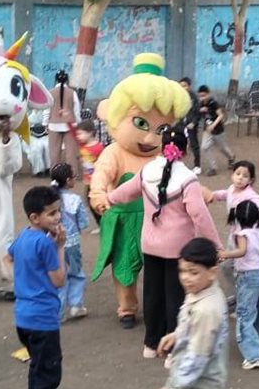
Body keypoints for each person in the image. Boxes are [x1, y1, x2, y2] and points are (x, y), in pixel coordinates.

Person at [88, 53, 190, 329]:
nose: (149, 138)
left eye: (162, 128)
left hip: (159, 218)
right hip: (124, 218)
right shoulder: (115, 152)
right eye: (141, 123)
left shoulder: (166, 156)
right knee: (125, 266)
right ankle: (127, 308)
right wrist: (98, 195)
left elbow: (182, 179)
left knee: (161, 265)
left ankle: (161, 307)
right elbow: (101, 175)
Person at [101, 127, 222, 359]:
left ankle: (151, 344)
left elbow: (125, 192)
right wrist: (216, 245)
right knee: (175, 297)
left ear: (161, 146)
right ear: (185, 150)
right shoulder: (188, 179)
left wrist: (108, 197)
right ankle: (172, 349)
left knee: (152, 294)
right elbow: (199, 215)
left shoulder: (147, 170)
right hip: (178, 248)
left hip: (150, 245)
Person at [153, 237, 236, 389]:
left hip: (200, 384)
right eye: (182, 271)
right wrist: (177, 335)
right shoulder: (201, 291)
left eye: (193, 272)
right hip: (195, 384)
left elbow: (196, 359)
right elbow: (192, 326)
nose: (186, 278)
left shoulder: (207, 309)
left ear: (212, 272)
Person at [6, 186, 75, 389]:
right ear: (35, 217)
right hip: (43, 318)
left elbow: (8, 257)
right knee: (47, 374)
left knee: (37, 369)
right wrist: (60, 247)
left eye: (58, 211)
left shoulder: (23, 236)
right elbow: (59, 280)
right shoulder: (45, 243)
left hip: (23, 316)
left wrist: (26, 279)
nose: (57, 217)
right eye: (52, 213)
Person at [218, 200, 259, 370]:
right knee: (257, 309)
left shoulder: (241, 234)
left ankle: (254, 356)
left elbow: (242, 251)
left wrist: (225, 254)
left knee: (245, 313)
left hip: (246, 277)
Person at [208, 160, 259, 296]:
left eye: (245, 176)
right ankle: (241, 292)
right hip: (235, 236)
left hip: (246, 237)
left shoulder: (251, 196)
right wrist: (213, 195)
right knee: (230, 267)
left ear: (251, 180)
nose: (240, 178)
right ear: (232, 175)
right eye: (237, 174)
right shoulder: (232, 188)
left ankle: (243, 294)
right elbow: (226, 194)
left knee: (233, 266)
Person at [50, 163, 90, 320]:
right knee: (76, 273)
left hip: (53, 243)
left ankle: (58, 312)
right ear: (68, 180)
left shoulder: (49, 199)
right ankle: (76, 305)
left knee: (58, 276)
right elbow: (84, 223)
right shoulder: (75, 199)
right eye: (74, 176)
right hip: (72, 242)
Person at [47, 70, 81, 177]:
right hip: (70, 125)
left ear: (56, 80)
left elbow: (46, 110)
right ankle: (72, 174)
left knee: (54, 152)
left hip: (53, 125)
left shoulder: (50, 93)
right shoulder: (72, 93)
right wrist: (78, 123)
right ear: (67, 80)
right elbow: (76, 110)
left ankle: (54, 174)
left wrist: (45, 123)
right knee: (71, 152)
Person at [74, 120, 105, 230]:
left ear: (90, 133)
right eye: (78, 134)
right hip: (88, 181)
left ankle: (103, 224)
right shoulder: (83, 146)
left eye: (81, 133)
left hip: (97, 180)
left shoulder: (98, 147)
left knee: (96, 202)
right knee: (90, 202)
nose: (79, 136)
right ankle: (101, 224)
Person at [198, 86, 233, 177]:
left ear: (209, 94)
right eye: (200, 96)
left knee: (222, 148)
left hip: (218, 130)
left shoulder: (213, 103)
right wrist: (200, 110)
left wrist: (213, 125)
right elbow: (201, 115)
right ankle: (213, 168)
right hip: (207, 130)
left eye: (204, 95)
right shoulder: (201, 104)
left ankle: (231, 157)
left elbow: (221, 115)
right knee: (204, 147)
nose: (202, 98)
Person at [179, 78, 202, 173]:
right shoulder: (178, 96)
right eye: (181, 86)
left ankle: (197, 166)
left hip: (191, 125)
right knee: (179, 143)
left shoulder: (194, 98)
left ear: (189, 86)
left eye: (184, 86)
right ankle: (179, 164)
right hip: (181, 124)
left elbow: (198, 112)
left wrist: (193, 123)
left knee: (194, 145)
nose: (182, 88)